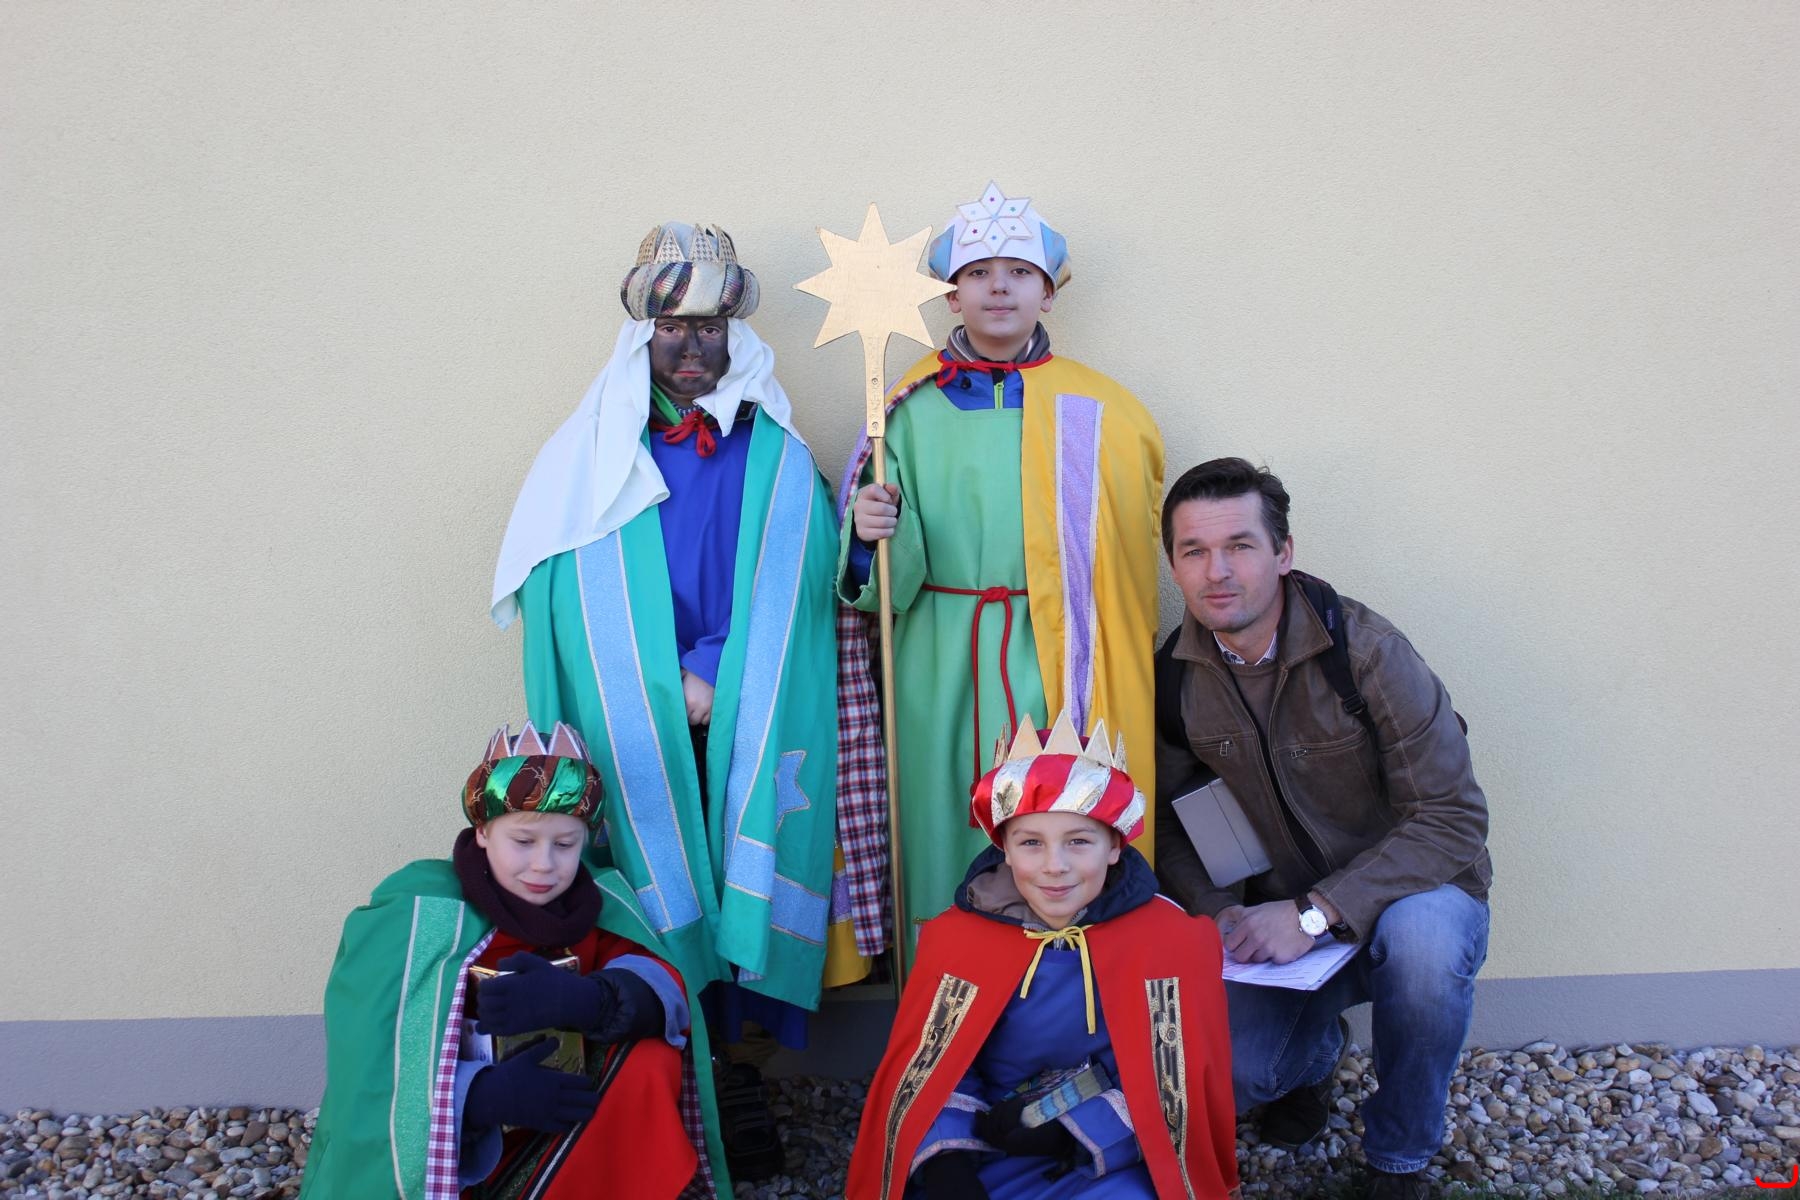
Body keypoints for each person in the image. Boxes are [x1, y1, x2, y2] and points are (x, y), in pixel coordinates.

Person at [489, 222, 855, 1177]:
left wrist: (714, 670)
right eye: (672, 328)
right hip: (635, 711)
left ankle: (736, 1069)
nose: (691, 346)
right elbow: (563, 581)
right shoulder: (593, 449)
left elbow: (796, 572)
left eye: (709, 328)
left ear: (735, 334)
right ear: (643, 334)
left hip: (740, 699)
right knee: (656, 866)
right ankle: (661, 1056)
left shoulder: (771, 450)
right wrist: (655, 683)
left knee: (737, 862)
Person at [838, 182, 1164, 962]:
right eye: (979, 273)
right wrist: (868, 535)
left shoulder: (1104, 409)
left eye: (1018, 272)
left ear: (1048, 291)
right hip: (939, 652)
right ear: (951, 295)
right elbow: (879, 582)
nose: (998, 288)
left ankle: (1067, 988)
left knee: (1057, 816)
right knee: (938, 817)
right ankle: (944, 988)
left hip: (1057, 650)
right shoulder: (904, 409)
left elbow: (1129, 560)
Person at [1153, 457, 1493, 1200]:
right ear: (1173, 565)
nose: (1217, 571)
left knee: (1426, 949)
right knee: (1238, 1072)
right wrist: (1218, 912)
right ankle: (1314, 1061)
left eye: (1240, 546)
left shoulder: (1364, 653)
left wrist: (1318, 912)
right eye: (1194, 550)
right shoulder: (1174, 680)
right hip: (1279, 925)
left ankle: (1398, 1161)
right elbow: (1176, 823)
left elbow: (1453, 816)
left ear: (1283, 552)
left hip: (1409, 896)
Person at [301, 721, 721, 1199]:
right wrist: (479, 1096)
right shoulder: (417, 913)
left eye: (565, 844)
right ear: (482, 831)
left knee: (649, 1059)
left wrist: (592, 1000)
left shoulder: (600, 903)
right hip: (462, 1144)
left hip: (564, 1118)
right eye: (523, 841)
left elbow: (663, 986)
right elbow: (371, 1055)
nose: (544, 864)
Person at [846, 711, 1240, 1200]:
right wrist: (948, 1161)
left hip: (1108, 1158)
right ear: (1004, 849)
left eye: (1079, 841)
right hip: (980, 1144)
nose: (1055, 866)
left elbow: (1176, 1086)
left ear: (1115, 845)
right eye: (1031, 843)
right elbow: (931, 1068)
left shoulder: (1174, 942)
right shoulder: (955, 939)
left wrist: (1070, 1134)